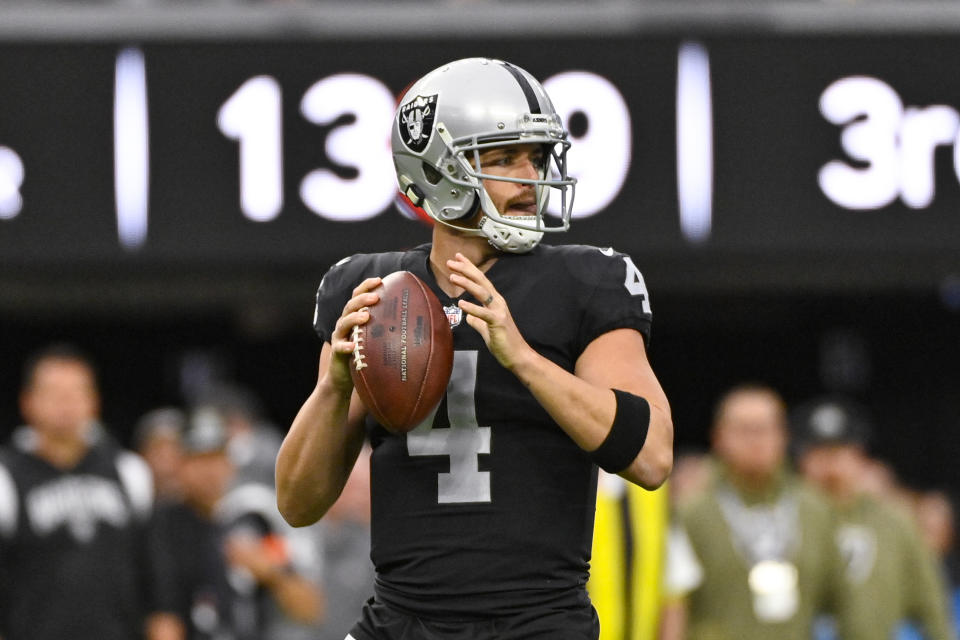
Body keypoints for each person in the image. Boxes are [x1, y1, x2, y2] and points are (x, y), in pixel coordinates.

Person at [276, 57, 673, 639]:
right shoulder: (374, 294)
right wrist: (335, 387)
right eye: (504, 157)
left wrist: (526, 361)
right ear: (437, 170)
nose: (528, 177)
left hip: (538, 623)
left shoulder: (584, 281)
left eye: (536, 157)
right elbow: (297, 503)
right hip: (401, 622)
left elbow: (652, 456)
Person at [0, 344, 164, 640]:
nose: (66, 404)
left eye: (76, 393)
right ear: (28, 402)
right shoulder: (6, 478)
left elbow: (154, 578)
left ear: (94, 401)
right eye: (54, 393)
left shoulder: (129, 472)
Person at [661, 384, 845, 640]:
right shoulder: (692, 512)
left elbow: (839, 598)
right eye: (744, 430)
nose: (756, 440)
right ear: (718, 437)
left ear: (784, 436)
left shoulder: (815, 509)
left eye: (766, 429)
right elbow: (673, 603)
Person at [149, 408, 323, 640]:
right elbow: (164, 621)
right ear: (180, 465)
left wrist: (271, 573)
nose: (209, 471)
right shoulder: (164, 525)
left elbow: (310, 609)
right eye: (197, 460)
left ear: (230, 462)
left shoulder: (255, 517)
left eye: (216, 457)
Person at [793, 395, 956, 640]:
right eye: (818, 453)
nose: (830, 466)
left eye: (839, 452)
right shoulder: (783, 516)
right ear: (801, 460)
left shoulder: (893, 522)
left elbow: (931, 605)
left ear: (860, 457)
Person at [133, 406, 187, 501]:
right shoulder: (134, 499)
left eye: (174, 448)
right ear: (142, 455)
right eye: (157, 450)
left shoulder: (201, 503)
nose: (166, 458)